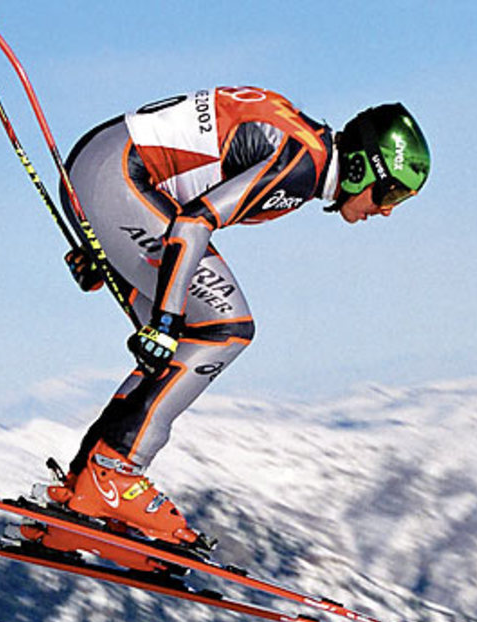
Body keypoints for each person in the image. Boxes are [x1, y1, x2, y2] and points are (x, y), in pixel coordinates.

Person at [36, 86, 430, 560]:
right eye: (391, 192)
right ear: (362, 168)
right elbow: (193, 225)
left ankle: (80, 490)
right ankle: (115, 473)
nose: (387, 209)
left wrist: (109, 250)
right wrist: (165, 320)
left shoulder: (303, 146)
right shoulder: (302, 162)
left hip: (108, 172)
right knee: (227, 327)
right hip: (117, 178)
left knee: (183, 347)